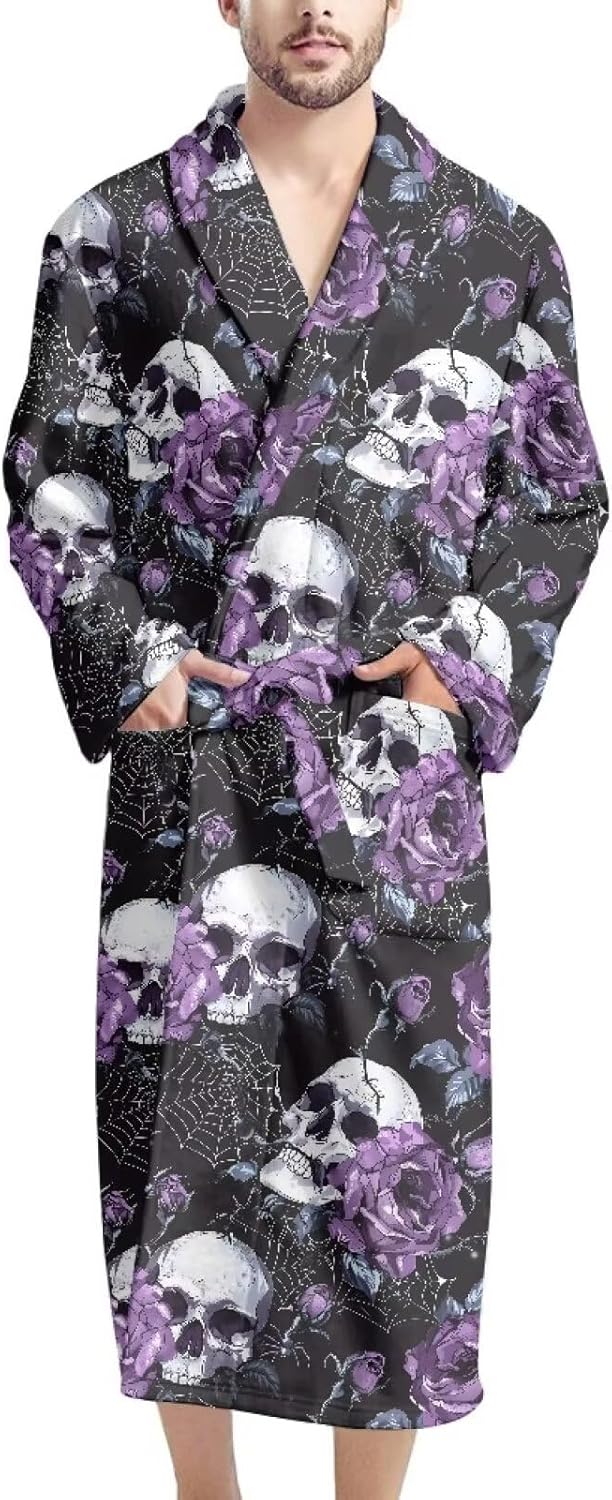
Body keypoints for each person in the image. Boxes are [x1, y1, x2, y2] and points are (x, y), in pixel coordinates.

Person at [3, 3, 609, 1498]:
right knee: (183, 1188)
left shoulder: (494, 241)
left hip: (392, 796)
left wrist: (466, 660)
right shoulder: (115, 231)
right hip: (199, 781)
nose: (317, 6)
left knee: (394, 1204)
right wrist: (133, 661)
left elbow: (559, 496)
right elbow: (52, 476)